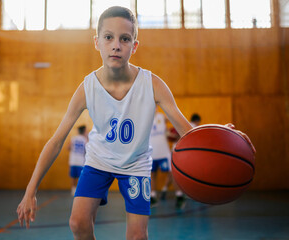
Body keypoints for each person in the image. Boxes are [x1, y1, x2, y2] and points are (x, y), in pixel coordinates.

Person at [17, 6, 254, 239]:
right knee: (78, 223)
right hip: (99, 161)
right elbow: (56, 141)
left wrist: (219, 133)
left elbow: (186, 130)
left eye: (125, 38)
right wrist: (30, 190)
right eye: (108, 37)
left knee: (138, 236)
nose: (116, 45)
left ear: (134, 45)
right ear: (97, 42)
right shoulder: (86, 88)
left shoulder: (153, 84)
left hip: (136, 165)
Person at [149, 109, 173, 205]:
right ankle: (153, 195)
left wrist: (170, 133)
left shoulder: (162, 117)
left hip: (163, 152)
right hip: (151, 152)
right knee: (152, 174)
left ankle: (168, 190)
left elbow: (171, 119)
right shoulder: (145, 117)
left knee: (171, 173)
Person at [68, 125, 88, 196]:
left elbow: (68, 147)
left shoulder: (73, 138)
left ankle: (73, 190)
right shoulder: (85, 140)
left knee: (73, 176)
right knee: (80, 177)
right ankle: (79, 190)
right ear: (84, 131)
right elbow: (87, 150)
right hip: (81, 161)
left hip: (73, 160)